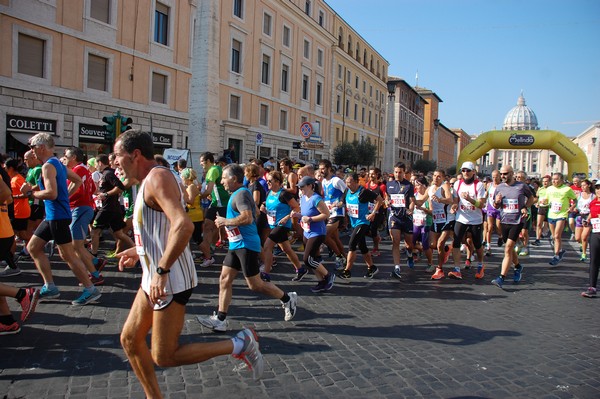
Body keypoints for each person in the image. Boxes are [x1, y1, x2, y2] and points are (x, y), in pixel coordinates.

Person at [113, 131, 263, 397]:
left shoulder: (158, 177)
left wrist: (161, 269)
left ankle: (240, 343)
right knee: (130, 340)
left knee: (165, 356)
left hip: (169, 280)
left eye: (118, 155)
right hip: (155, 276)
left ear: (135, 155)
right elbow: (163, 228)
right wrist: (141, 250)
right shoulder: (151, 179)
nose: (115, 162)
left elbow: (182, 226)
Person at [197, 164, 298, 332]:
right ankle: (221, 319)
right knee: (224, 279)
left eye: (223, 178)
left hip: (245, 245)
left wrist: (225, 222)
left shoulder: (241, 193)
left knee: (255, 285)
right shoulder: (239, 193)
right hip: (236, 243)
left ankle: (287, 298)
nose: (221, 182)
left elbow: (248, 218)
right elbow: (256, 213)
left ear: (234, 179)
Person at [21, 132, 101, 305]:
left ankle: (91, 289)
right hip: (54, 216)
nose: (32, 151)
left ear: (41, 147)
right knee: (33, 248)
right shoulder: (56, 163)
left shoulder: (48, 166)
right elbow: (77, 180)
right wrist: (65, 197)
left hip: (57, 216)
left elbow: (52, 193)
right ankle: (50, 287)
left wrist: (30, 193)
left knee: (68, 255)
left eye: (33, 148)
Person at [63, 147, 107, 286]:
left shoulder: (78, 170)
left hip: (79, 208)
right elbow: (93, 189)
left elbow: (79, 189)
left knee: (77, 245)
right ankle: (95, 262)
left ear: (74, 157)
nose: (64, 158)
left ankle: (95, 274)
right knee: (76, 245)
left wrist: (64, 197)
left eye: (66, 156)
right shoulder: (84, 170)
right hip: (81, 208)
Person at [490, 166, 534, 289]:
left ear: (512, 174)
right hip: (504, 220)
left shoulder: (521, 186)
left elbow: (531, 198)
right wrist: (497, 202)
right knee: (508, 248)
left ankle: (501, 277)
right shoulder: (499, 187)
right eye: (501, 174)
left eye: (505, 174)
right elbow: (496, 205)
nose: (503, 176)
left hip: (517, 221)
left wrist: (525, 206)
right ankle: (518, 266)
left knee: (508, 247)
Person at [291, 176, 336, 292]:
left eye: (302, 187)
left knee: (307, 259)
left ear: (310, 186)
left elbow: (326, 214)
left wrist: (310, 219)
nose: (300, 189)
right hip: (307, 231)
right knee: (314, 258)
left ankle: (328, 275)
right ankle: (321, 281)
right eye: (299, 187)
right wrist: (298, 215)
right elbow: (304, 213)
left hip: (317, 232)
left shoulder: (316, 199)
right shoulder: (303, 198)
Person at [336, 173, 383, 280]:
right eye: (346, 182)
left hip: (363, 222)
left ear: (357, 182)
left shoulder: (363, 192)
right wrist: (335, 205)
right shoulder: (347, 191)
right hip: (354, 223)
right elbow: (342, 202)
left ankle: (347, 271)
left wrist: (373, 213)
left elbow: (379, 200)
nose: (348, 185)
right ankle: (372, 267)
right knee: (363, 247)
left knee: (352, 244)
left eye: (350, 182)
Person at [260, 170, 305, 281]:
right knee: (286, 249)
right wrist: (264, 210)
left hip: (282, 225)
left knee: (267, 246)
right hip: (273, 225)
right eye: (267, 181)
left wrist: (287, 217)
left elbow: (297, 207)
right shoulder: (269, 193)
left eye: (269, 181)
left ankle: (266, 273)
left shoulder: (284, 194)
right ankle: (300, 269)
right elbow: (270, 208)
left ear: (277, 181)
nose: (267, 183)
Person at [90, 154, 134, 259]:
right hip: (112, 207)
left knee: (94, 232)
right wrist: (99, 194)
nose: (95, 166)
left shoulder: (108, 174)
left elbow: (120, 187)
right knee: (119, 234)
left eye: (96, 164)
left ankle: (93, 256)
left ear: (100, 163)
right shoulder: (105, 174)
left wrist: (106, 195)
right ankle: (136, 249)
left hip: (107, 208)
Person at [449, 161, 486, 280]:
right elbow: (456, 201)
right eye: (463, 170)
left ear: (473, 172)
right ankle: (456, 269)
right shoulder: (457, 184)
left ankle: (480, 265)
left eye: (468, 170)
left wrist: (470, 199)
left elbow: (481, 204)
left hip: (476, 219)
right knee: (456, 242)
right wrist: (454, 206)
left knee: (477, 243)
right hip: (461, 217)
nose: (465, 173)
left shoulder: (479, 185)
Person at [197, 152, 230, 267]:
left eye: (202, 163)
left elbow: (208, 190)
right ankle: (208, 251)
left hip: (222, 204)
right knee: (208, 225)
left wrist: (197, 197)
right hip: (216, 203)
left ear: (208, 161)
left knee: (232, 230)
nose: (201, 165)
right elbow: (211, 191)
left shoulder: (212, 170)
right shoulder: (216, 169)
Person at [385, 162, 416, 279]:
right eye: (396, 172)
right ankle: (397, 267)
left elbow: (412, 200)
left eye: (400, 172)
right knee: (396, 241)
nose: (398, 174)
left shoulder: (409, 186)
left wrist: (411, 209)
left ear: (404, 173)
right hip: (394, 216)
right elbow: (387, 197)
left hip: (406, 217)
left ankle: (409, 254)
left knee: (409, 244)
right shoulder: (389, 184)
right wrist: (386, 201)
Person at [3, 158, 31, 276]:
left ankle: (11, 259)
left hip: (19, 211)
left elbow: (26, 194)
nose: (4, 169)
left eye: (5, 167)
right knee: (18, 234)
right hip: (18, 211)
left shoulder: (16, 179)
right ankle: (12, 258)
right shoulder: (14, 178)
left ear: (10, 168)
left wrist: (12, 197)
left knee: (16, 234)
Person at [319, 160, 348, 270]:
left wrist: (341, 201)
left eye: (323, 168)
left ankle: (339, 257)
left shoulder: (336, 180)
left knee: (324, 235)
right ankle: (346, 259)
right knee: (335, 239)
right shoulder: (323, 181)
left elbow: (346, 191)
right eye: (320, 168)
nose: (321, 171)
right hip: (328, 212)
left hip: (337, 212)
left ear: (329, 168)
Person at [428, 169, 455, 280]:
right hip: (436, 219)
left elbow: (450, 199)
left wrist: (440, 199)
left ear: (443, 178)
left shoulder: (445, 186)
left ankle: (439, 269)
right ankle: (446, 250)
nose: (435, 178)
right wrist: (412, 202)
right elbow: (420, 201)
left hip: (447, 219)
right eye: (434, 175)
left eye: (439, 176)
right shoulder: (430, 189)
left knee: (439, 244)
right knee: (432, 245)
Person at [546, 173, 577, 266]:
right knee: (553, 236)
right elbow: (547, 200)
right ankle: (560, 250)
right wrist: (543, 201)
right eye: (553, 179)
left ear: (561, 180)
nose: (554, 181)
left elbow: (575, 200)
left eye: (556, 179)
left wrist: (571, 208)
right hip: (551, 214)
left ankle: (556, 256)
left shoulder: (567, 189)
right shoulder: (549, 189)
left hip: (562, 214)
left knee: (556, 236)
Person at [582, 182, 600, 297]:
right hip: (596, 233)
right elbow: (592, 214)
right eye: (597, 188)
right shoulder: (593, 202)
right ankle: (592, 287)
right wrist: (588, 221)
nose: (598, 190)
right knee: (594, 260)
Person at [364, 167, 387, 257]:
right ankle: (377, 237)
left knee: (373, 230)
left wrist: (382, 203)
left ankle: (376, 248)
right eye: (369, 174)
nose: (370, 176)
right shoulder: (367, 185)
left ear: (377, 175)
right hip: (368, 211)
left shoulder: (381, 186)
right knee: (365, 230)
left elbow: (385, 198)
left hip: (378, 212)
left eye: (372, 174)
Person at [574, 179, 594, 262]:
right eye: (581, 186)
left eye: (584, 185)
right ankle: (583, 245)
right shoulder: (579, 194)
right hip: (579, 217)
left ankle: (584, 254)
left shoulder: (593, 196)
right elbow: (575, 203)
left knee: (584, 237)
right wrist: (574, 208)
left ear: (589, 185)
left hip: (588, 217)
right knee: (577, 238)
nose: (582, 187)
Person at [484, 170, 503, 255]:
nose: (495, 179)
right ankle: (488, 246)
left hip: (499, 209)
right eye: (493, 177)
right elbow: (486, 195)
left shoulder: (503, 186)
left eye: (496, 177)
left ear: (500, 176)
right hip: (490, 208)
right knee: (489, 227)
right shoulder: (489, 185)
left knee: (498, 227)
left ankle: (500, 236)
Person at [533, 175, 551, 246]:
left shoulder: (552, 189)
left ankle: (552, 236)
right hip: (541, 207)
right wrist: (537, 203)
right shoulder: (540, 189)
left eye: (546, 181)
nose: (544, 183)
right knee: (539, 224)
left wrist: (548, 201)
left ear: (549, 182)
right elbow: (537, 197)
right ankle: (537, 239)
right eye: (543, 181)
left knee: (550, 224)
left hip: (550, 207)